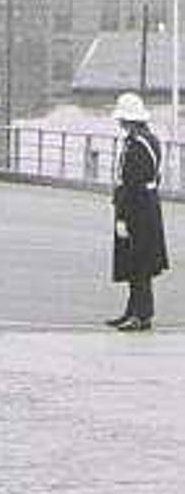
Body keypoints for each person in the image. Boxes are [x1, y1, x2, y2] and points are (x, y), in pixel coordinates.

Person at [107, 92, 169, 331]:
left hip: (137, 208)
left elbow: (130, 183)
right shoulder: (148, 140)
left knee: (139, 262)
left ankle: (141, 314)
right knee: (136, 261)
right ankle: (134, 310)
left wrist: (122, 215)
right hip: (147, 204)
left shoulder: (137, 145)